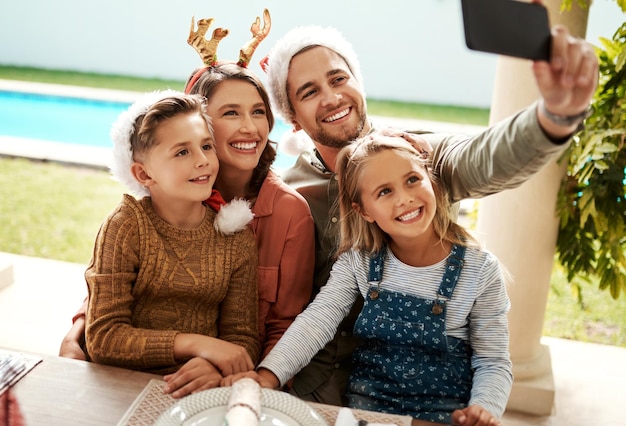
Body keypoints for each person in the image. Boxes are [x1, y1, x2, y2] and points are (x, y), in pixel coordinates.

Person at [258, 19, 598, 406]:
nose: (332, 97)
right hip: (316, 390)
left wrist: (553, 117)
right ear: (293, 118)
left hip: (429, 399)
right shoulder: (291, 192)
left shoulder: (416, 158)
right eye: (310, 91)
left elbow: (487, 157)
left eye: (338, 79)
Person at [60, 9, 316, 398]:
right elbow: (109, 304)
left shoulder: (261, 224)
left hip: (222, 383)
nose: (250, 127)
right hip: (123, 376)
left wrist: (231, 371)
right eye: (230, 113)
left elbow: (264, 332)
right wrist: (77, 332)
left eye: (259, 112)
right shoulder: (138, 216)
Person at [245, 132, 512, 425]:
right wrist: (268, 375)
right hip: (368, 413)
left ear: (430, 178)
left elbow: (493, 361)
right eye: (385, 192)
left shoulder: (480, 270)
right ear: (363, 210)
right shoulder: (359, 261)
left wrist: (484, 408)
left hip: (444, 417)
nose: (405, 199)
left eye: (412, 179)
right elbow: (316, 322)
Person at [83, 91, 260, 385]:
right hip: (120, 383)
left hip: (196, 386)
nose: (203, 160)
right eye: (182, 152)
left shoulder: (236, 240)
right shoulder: (127, 227)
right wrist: (196, 344)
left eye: (206, 146)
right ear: (143, 174)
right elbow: (103, 337)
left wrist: (214, 367)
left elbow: (241, 339)